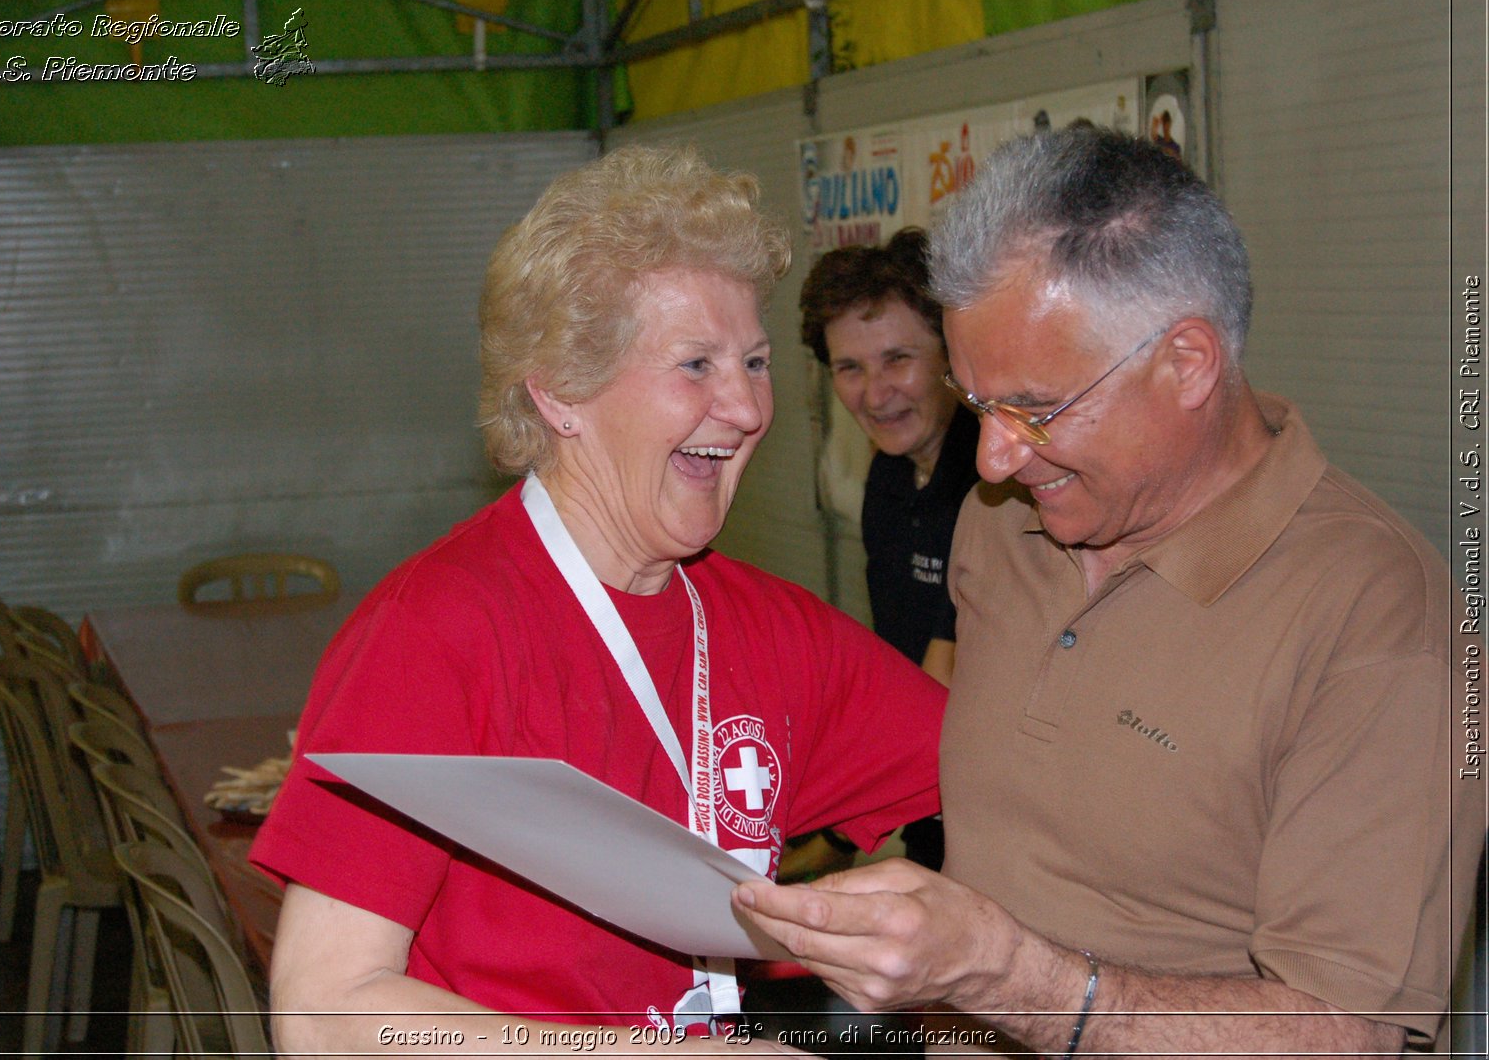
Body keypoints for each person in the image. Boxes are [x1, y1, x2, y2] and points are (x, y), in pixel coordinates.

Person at [735, 124, 1482, 1056]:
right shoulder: (1002, 523)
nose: (996, 454)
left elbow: (1347, 1035)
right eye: (978, 406)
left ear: (1188, 365)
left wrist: (1004, 973)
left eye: (1035, 410)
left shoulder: (1383, 618)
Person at [250, 145, 946, 1055]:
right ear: (562, 391)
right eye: (696, 365)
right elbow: (322, 1010)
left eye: (757, 361)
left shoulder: (773, 630)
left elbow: (1010, 786)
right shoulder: (438, 631)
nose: (745, 407)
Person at [798, 229, 979, 872]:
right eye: (851, 368)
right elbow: (893, 662)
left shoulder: (993, 482)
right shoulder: (889, 477)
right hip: (931, 811)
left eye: (898, 358)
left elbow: (941, 680)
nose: (875, 395)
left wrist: (839, 835)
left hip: (1001, 828)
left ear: (951, 355)